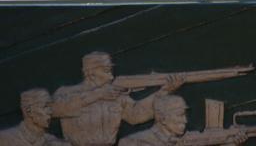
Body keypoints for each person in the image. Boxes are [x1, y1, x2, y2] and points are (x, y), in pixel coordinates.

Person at [53, 52, 184, 146]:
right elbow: (56, 109)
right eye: (106, 71)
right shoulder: (66, 93)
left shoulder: (115, 95)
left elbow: (136, 114)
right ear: (89, 72)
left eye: (111, 71)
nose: (110, 77)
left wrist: (164, 91)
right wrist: (96, 95)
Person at [0, 89, 67, 145]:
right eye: (45, 107)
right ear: (28, 111)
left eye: (50, 107)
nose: (50, 112)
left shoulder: (53, 141)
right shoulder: (5, 138)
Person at [118, 95, 189, 146]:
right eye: (180, 115)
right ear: (163, 118)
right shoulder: (133, 142)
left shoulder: (188, 140)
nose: (185, 120)